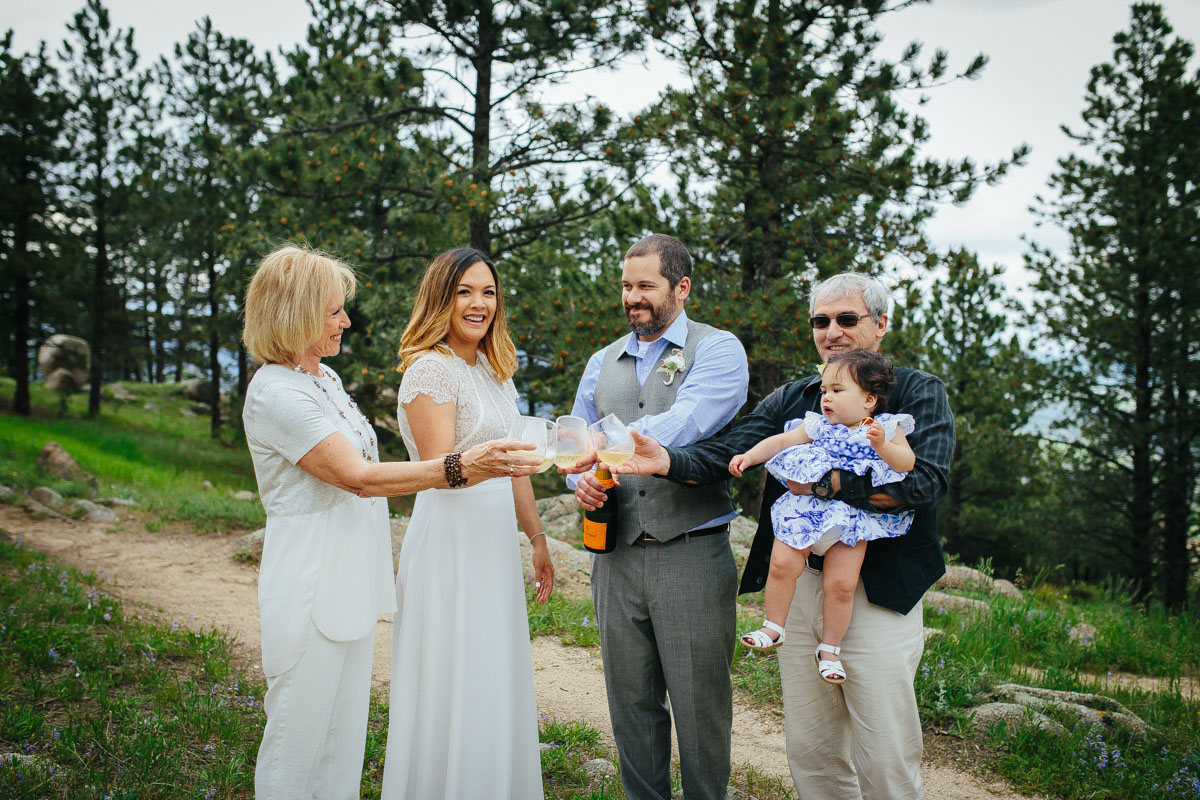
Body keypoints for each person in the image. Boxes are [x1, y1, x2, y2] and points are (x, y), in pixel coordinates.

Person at [603, 272, 954, 800]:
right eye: (820, 320)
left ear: (881, 325)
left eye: (847, 319)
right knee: (812, 753)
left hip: (880, 592)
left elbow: (925, 483)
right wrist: (670, 460)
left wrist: (820, 485)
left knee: (885, 753)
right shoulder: (797, 398)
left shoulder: (917, 393)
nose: (831, 331)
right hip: (800, 587)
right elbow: (736, 447)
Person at [241, 244, 539, 800]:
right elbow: (356, 476)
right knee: (296, 740)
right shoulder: (276, 394)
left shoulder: (323, 381)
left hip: (354, 578)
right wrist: (458, 467)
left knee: (343, 741)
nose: (345, 321)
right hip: (311, 579)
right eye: (333, 311)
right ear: (294, 313)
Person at [568, 233, 748, 800]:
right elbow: (573, 441)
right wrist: (580, 482)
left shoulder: (718, 350)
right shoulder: (602, 362)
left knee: (700, 709)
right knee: (631, 704)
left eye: (645, 285)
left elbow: (690, 421)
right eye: (626, 285)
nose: (632, 297)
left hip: (691, 550)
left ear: (681, 287)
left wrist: (601, 450)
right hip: (616, 557)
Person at [381, 247, 554, 800]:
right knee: (452, 669)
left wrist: (538, 538)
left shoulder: (493, 370)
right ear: (441, 298)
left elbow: (515, 467)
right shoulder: (432, 369)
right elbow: (437, 471)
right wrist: (490, 465)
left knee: (491, 669)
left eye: (488, 292)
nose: (478, 304)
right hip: (450, 539)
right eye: (464, 292)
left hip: (493, 540)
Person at [730, 350, 916, 686]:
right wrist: (750, 456)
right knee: (782, 565)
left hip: (851, 519)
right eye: (824, 390)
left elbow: (905, 464)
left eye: (837, 390)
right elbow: (780, 441)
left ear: (869, 399)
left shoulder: (885, 427)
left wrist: (882, 446)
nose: (826, 396)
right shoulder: (817, 424)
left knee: (841, 586)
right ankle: (774, 626)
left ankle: (829, 649)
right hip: (805, 511)